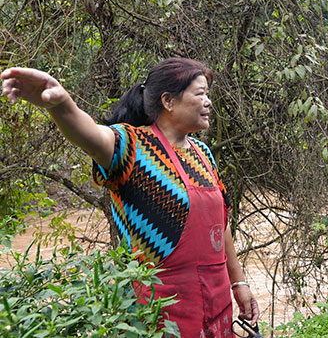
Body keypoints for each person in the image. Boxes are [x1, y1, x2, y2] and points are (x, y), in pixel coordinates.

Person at [2, 58, 259, 336]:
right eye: (200, 94)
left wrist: (238, 283)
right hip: (158, 311)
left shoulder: (203, 154)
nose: (208, 102)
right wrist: (61, 105)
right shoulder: (131, 146)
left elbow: (221, 225)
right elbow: (89, 135)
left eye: (208, 94)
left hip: (216, 303)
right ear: (168, 101)